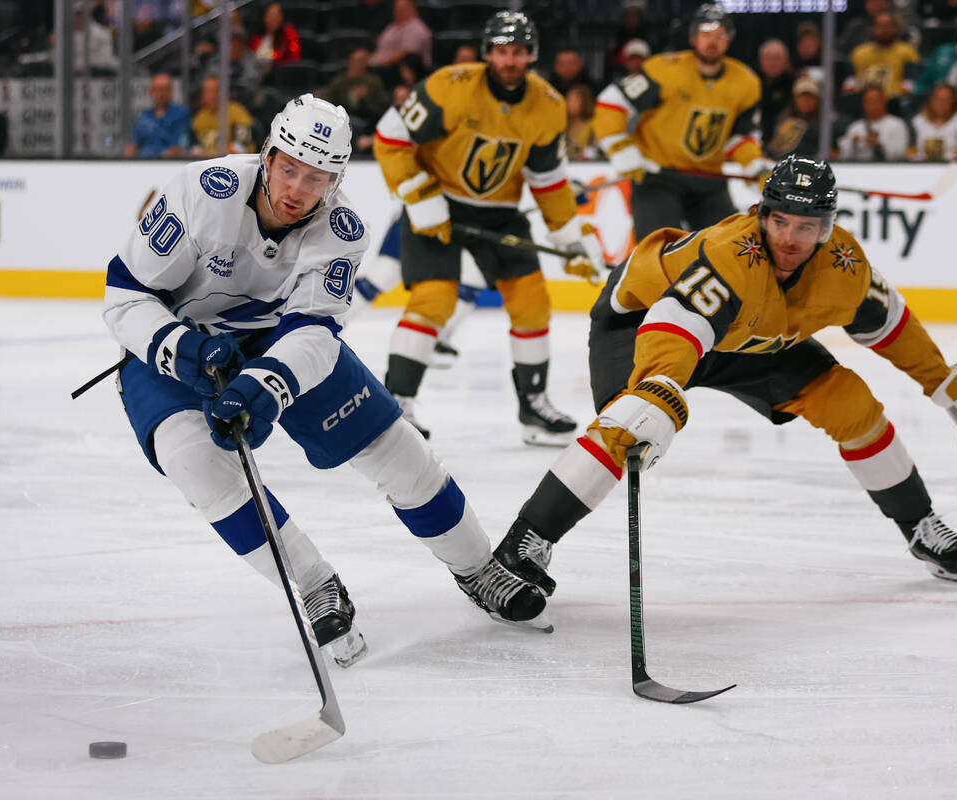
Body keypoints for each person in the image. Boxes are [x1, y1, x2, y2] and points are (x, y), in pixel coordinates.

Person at [101, 94, 549, 669]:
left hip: (276, 342)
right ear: (267, 155)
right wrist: (181, 347)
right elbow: (126, 297)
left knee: (399, 450)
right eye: (288, 168)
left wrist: (269, 383)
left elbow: (313, 332)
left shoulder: (341, 230)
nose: (296, 189)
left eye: (316, 178)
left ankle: (477, 567)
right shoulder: (201, 191)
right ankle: (313, 584)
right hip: (173, 342)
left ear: (335, 181)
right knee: (194, 462)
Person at [494, 155, 957, 606]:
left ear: (827, 229)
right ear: (762, 215)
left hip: (749, 338)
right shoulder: (729, 256)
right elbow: (674, 326)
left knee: (851, 404)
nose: (791, 239)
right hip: (644, 319)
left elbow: (893, 329)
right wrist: (656, 389)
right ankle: (524, 542)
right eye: (781, 222)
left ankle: (922, 527)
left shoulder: (844, 265)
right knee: (630, 425)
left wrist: (951, 387)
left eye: (807, 226)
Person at [372, 11, 604, 445]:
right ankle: (397, 402)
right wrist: (420, 198)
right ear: (488, 53)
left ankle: (533, 406)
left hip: (499, 213)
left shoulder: (549, 105)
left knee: (532, 302)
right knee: (433, 300)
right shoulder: (450, 86)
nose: (510, 60)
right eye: (501, 51)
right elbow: (391, 138)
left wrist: (568, 238)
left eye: (518, 52)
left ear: (531, 54)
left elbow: (548, 180)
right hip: (437, 203)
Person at [594, 3, 772, 242]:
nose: (713, 41)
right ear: (693, 37)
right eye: (706, 34)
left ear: (729, 40)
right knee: (657, 252)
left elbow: (738, 136)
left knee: (728, 249)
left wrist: (755, 165)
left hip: (708, 180)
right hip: (658, 177)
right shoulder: (665, 70)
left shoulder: (745, 82)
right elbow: (611, 102)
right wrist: (621, 149)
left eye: (720, 35)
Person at [321, 46, 391, 152]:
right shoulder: (339, 83)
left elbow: (381, 106)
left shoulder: (374, 82)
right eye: (358, 60)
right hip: (342, 121)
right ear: (350, 61)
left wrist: (365, 98)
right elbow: (329, 101)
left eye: (364, 60)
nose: (361, 64)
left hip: (367, 122)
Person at [125, 72, 192, 159]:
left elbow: (181, 146)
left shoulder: (182, 114)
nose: (161, 94)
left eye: (165, 89)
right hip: (142, 165)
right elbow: (132, 144)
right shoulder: (143, 117)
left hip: (169, 164)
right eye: (158, 89)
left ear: (170, 91)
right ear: (151, 91)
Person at [837, 84, 911, 161]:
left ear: (884, 101)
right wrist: (852, 143)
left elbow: (900, 154)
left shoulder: (897, 124)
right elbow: (844, 157)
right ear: (863, 104)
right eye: (869, 102)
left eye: (876, 101)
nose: (873, 106)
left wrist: (879, 144)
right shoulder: (855, 127)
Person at [191, 73, 256, 157]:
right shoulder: (199, 118)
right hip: (208, 164)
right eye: (206, 91)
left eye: (212, 91)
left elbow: (242, 146)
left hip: (237, 164)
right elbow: (195, 147)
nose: (208, 95)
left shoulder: (238, 113)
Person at [909, 83, 957, 160]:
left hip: (952, 167)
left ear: (953, 101)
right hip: (920, 166)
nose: (940, 103)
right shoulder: (918, 121)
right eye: (937, 98)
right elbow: (910, 150)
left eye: (945, 99)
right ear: (931, 100)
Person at [369, 0, 432, 70]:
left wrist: (378, 65)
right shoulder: (392, 26)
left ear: (413, 9)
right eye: (396, 9)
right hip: (378, 65)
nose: (398, 12)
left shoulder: (415, 27)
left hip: (395, 70)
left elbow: (406, 55)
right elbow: (379, 46)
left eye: (402, 9)